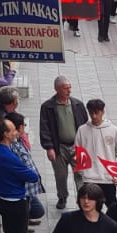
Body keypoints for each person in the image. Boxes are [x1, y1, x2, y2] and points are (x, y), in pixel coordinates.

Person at [38, 75, 88, 208]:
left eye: (69, 87)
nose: (69, 91)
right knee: (60, 175)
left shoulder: (77, 104)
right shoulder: (47, 107)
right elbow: (44, 128)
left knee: (81, 175)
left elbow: (85, 126)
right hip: (58, 147)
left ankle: (83, 198)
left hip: (77, 146)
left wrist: (84, 147)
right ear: (56, 89)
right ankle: (62, 197)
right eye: (65, 88)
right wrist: (49, 147)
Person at [76, 99, 117, 206]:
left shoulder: (113, 130)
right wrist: (82, 172)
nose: (94, 116)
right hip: (90, 177)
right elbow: (79, 152)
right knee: (91, 207)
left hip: (108, 178)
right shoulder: (82, 130)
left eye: (96, 113)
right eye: (91, 113)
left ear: (103, 112)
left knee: (112, 206)